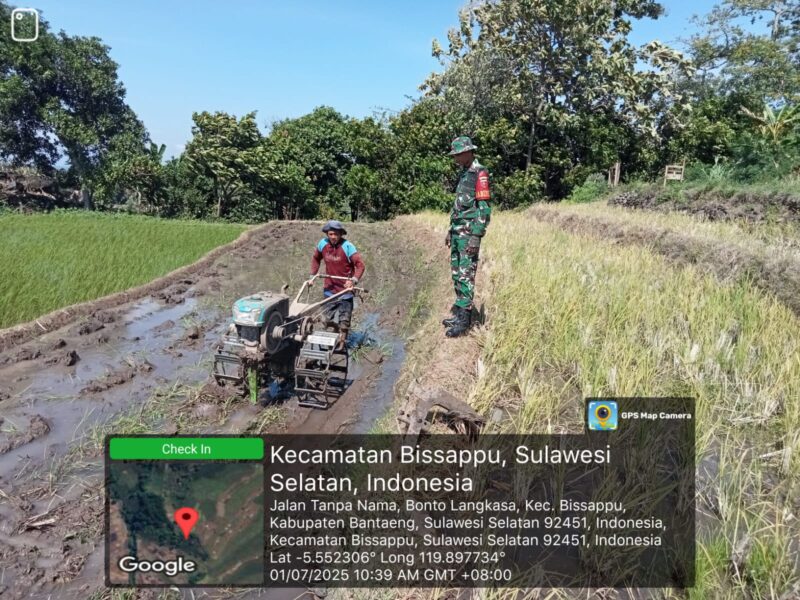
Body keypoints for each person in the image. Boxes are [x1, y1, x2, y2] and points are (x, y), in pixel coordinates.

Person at [443, 136, 491, 338]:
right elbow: (459, 206)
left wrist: (476, 236)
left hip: (468, 233)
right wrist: (450, 230)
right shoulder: (464, 173)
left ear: (468, 152)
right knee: (457, 273)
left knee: (465, 275)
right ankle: (459, 314)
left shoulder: (479, 173)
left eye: (458, 155)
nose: (455, 159)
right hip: (458, 231)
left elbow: (484, 208)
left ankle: (465, 322)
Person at [308, 220, 366, 345]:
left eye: (336, 234)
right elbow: (316, 258)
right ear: (327, 234)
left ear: (341, 234)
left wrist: (353, 280)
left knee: (344, 322)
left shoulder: (348, 247)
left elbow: (360, 265)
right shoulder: (322, 244)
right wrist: (312, 276)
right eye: (331, 234)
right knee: (325, 319)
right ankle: (332, 334)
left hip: (345, 291)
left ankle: (341, 343)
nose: (333, 237)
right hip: (330, 289)